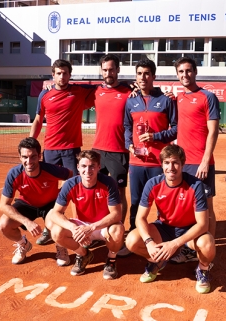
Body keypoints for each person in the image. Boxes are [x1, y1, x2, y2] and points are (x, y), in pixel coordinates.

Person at [125, 145, 215, 294]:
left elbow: (203, 224)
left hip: (189, 230)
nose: (171, 167)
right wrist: (149, 243)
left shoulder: (195, 185)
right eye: (167, 163)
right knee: (131, 240)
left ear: (182, 164)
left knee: (207, 243)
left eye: (175, 163)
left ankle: (203, 269)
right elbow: (140, 218)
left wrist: (175, 244)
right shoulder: (153, 184)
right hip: (165, 228)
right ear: (161, 164)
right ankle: (157, 260)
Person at [29, 59, 96, 245]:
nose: (62, 76)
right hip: (50, 149)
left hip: (71, 149)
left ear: (70, 74)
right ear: (53, 75)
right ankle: (50, 228)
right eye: (58, 73)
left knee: (76, 189)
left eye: (65, 73)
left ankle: (79, 228)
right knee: (49, 191)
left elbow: (104, 88)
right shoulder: (44, 95)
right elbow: (37, 120)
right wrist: (31, 143)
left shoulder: (78, 92)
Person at [169, 57, 219, 264]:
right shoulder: (178, 98)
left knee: (206, 208)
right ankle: (189, 248)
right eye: (180, 72)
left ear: (195, 72)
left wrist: (205, 161)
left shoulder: (208, 97)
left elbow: (213, 130)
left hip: (201, 162)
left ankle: (209, 247)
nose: (184, 75)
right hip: (183, 163)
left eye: (188, 71)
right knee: (188, 209)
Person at [45, 150, 124, 279]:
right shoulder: (70, 184)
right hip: (81, 224)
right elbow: (55, 213)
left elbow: (116, 215)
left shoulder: (109, 183)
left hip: (102, 225)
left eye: (92, 166)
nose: (88, 170)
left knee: (118, 230)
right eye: (83, 166)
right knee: (56, 232)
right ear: (78, 167)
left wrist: (92, 227)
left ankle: (111, 260)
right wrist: (73, 228)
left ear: (99, 167)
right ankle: (83, 254)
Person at [0, 137, 73, 265]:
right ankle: (23, 244)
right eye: (25, 157)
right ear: (20, 157)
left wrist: (62, 194)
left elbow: (71, 176)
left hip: (50, 205)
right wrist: (26, 222)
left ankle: (61, 247)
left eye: (33, 156)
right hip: (27, 204)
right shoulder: (14, 174)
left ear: (39, 156)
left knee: (57, 228)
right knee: (4, 225)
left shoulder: (51, 170)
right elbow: (4, 205)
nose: (29, 161)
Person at [124, 59, 177, 234]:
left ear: (153, 76)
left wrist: (156, 136)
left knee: (162, 200)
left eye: (147, 73)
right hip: (136, 161)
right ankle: (134, 233)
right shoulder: (130, 101)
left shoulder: (166, 100)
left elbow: (177, 128)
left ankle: (164, 235)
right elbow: (126, 127)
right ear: (136, 76)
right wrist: (129, 144)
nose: (143, 77)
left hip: (159, 162)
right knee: (136, 200)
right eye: (139, 74)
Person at [91, 54, 133, 255]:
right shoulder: (96, 91)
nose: (108, 73)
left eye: (112, 69)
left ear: (118, 70)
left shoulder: (128, 92)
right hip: (98, 150)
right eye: (105, 69)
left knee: (119, 193)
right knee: (96, 192)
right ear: (101, 70)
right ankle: (98, 231)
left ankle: (120, 234)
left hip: (119, 151)